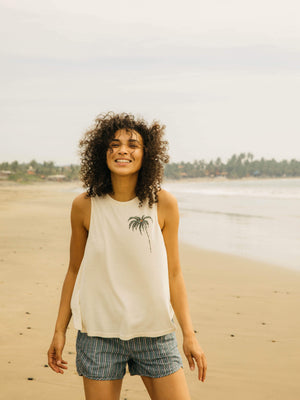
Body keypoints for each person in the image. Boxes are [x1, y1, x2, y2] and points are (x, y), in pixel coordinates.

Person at [47, 111, 207, 400]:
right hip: (98, 335)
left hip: (155, 332)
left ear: (147, 155)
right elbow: (73, 270)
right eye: (114, 144)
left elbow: (174, 273)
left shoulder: (164, 204)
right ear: (101, 153)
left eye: (133, 145)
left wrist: (189, 334)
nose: (123, 150)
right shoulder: (84, 206)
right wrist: (59, 330)